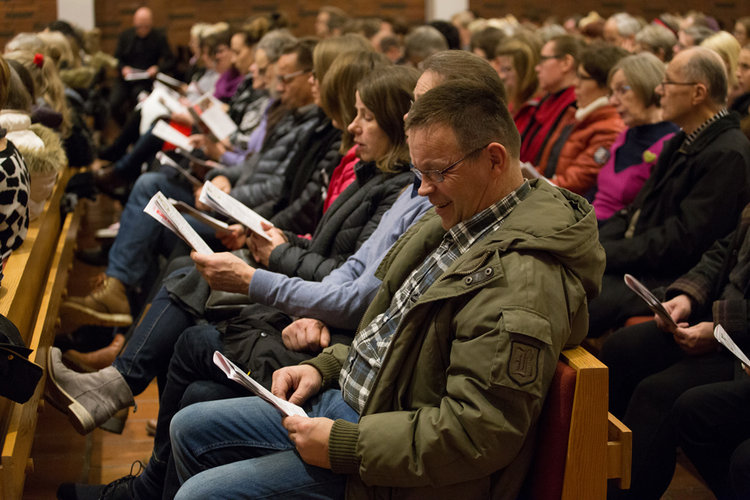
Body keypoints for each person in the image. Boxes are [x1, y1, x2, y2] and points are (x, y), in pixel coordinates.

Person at [166, 79, 605, 499]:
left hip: (396, 466)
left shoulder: (522, 277)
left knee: (198, 494)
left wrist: (345, 446)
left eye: (437, 172)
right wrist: (328, 366)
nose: (423, 189)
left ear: (494, 159)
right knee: (189, 426)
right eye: (418, 172)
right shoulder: (459, 216)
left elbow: (478, 433)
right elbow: (391, 334)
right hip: (366, 408)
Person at [59, 38, 321, 329]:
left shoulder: (306, 124)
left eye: (280, 76)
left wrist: (226, 189)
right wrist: (220, 176)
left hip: (249, 216)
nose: (277, 83)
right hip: (234, 194)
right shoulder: (286, 113)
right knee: (155, 179)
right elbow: (254, 163)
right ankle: (119, 299)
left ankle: (122, 320)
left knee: (161, 215)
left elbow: (281, 190)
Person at [588, 47, 750, 338]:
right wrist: (594, 244)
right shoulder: (682, 139)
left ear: (698, 93)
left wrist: (605, 253)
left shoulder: (728, 153)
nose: (659, 91)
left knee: (578, 301)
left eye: (668, 83)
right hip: (643, 262)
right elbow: (635, 211)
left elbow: (684, 241)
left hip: (670, 275)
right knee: (565, 282)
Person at [602, 199, 750, 499]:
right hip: (717, 313)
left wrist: (723, 327)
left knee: (657, 394)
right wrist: (686, 296)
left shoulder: (730, 154)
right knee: (623, 348)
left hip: (741, 344)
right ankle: (592, 473)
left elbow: (684, 235)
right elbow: (724, 250)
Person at [592, 52, 679, 220]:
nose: (613, 101)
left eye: (623, 90)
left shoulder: (671, 144)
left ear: (648, 86)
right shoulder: (626, 134)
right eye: (612, 92)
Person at [533, 43, 627, 195]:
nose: (575, 83)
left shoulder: (611, 129)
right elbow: (546, 167)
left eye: (582, 78)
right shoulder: (576, 115)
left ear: (607, 86)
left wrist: (528, 187)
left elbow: (575, 183)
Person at [515, 35, 582, 166]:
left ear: (566, 63)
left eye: (543, 60)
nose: (537, 68)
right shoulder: (546, 99)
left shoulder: (576, 105)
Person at [110, 7, 175, 125]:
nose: (143, 30)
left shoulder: (159, 37)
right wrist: (123, 68)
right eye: (140, 26)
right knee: (114, 103)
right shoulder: (125, 36)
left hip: (146, 80)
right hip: (125, 79)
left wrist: (157, 68)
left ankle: (136, 131)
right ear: (135, 22)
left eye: (146, 26)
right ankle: (125, 128)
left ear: (151, 23)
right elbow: (116, 60)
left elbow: (171, 60)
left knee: (142, 103)